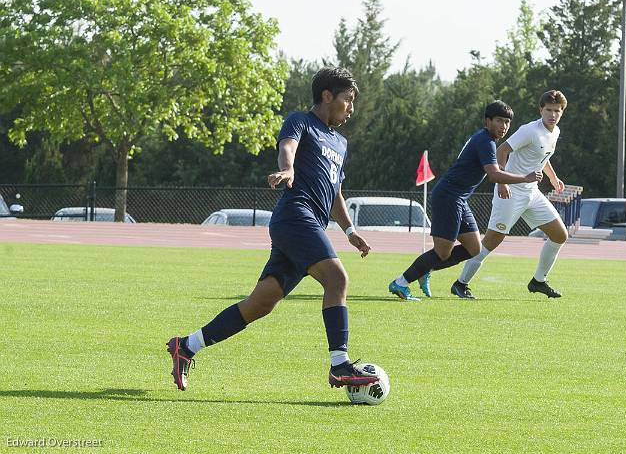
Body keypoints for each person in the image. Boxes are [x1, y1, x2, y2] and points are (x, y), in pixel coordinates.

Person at [167, 67, 380, 391]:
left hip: (304, 226)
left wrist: (350, 232)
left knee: (259, 303)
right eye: (347, 100)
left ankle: (186, 346)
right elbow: (288, 147)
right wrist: (288, 169)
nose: (351, 108)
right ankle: (339, 365)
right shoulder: (301, 120)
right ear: (327, 96)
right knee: (337, 279)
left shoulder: (340, 142)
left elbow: (335, 191)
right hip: (295, 216)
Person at [388, 101, 543, 301]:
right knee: (443, 252)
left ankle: (424, 268)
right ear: (488, 121)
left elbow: (495, 173)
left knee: (474, 248)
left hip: (459, 199)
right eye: (499, 121)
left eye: (507, 122)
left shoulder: (486, 140)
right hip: (449, 196)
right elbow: (494, 175)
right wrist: (524, 178)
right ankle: (400, 283)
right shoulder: (485, 141)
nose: (504, 126)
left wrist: (508, 181)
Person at [451, 90, 569, 299]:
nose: (552, 114)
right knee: (492, 240)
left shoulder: (555, 132)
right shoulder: (529, 130)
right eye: (548, 110)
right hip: (511, 192)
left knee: (560, 235)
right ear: (540, 110)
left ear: (562, 112)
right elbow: (502, 151)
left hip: (531, 192)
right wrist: (502, 182)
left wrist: (553, 177)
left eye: (557, 111)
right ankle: (461, 283)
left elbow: (543, 156)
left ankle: (538, 281)